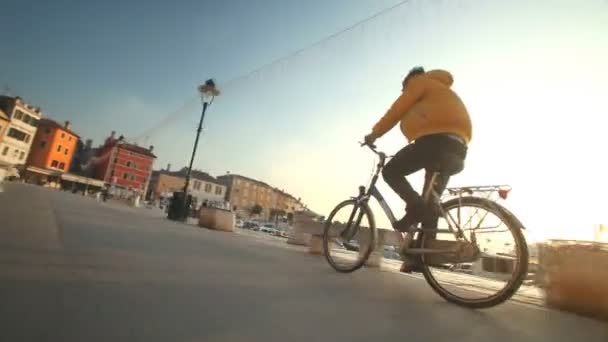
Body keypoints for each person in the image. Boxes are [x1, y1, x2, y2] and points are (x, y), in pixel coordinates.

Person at [364, 66, 472, 270]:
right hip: (457, 148)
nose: (404, 92)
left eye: (404, 88)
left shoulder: (419, 83)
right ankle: (422, 257)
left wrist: (374, 135)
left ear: (410, 80)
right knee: (430, 203)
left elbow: (396, 111)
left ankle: (414, 207)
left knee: (391, 171)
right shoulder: (441, 90)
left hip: (435, 142)